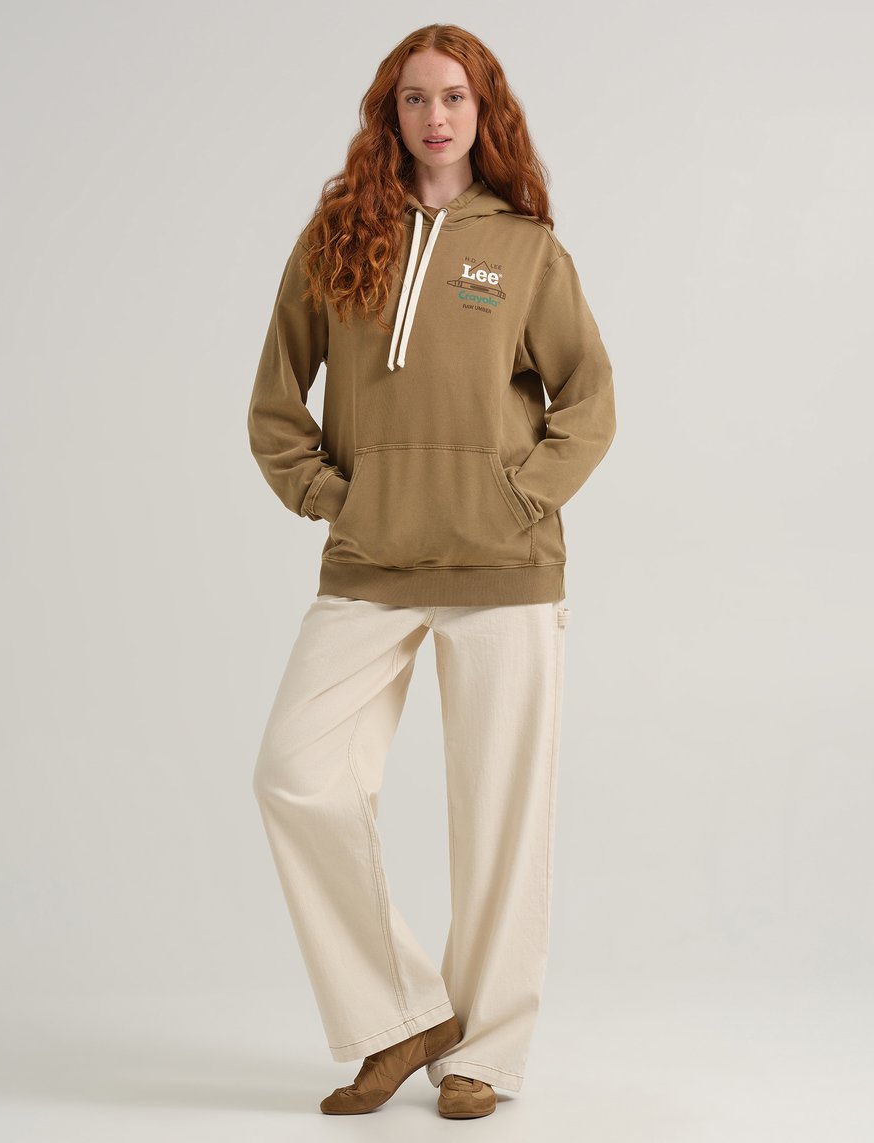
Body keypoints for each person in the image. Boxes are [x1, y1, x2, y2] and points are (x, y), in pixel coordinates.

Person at [247, 22, 616, 1120]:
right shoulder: (336, 237)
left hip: (505, 569)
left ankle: (483, 1054)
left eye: (454, 96)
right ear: (390, 113)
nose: (436, 115)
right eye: (415, 97)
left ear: (482, 109)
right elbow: (276, 402)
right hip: (371, 561)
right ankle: (401, 1015)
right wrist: (334, 498)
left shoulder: (526, 249)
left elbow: (588, 400)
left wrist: (520, 497)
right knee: (296, 774)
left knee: (500, 816)